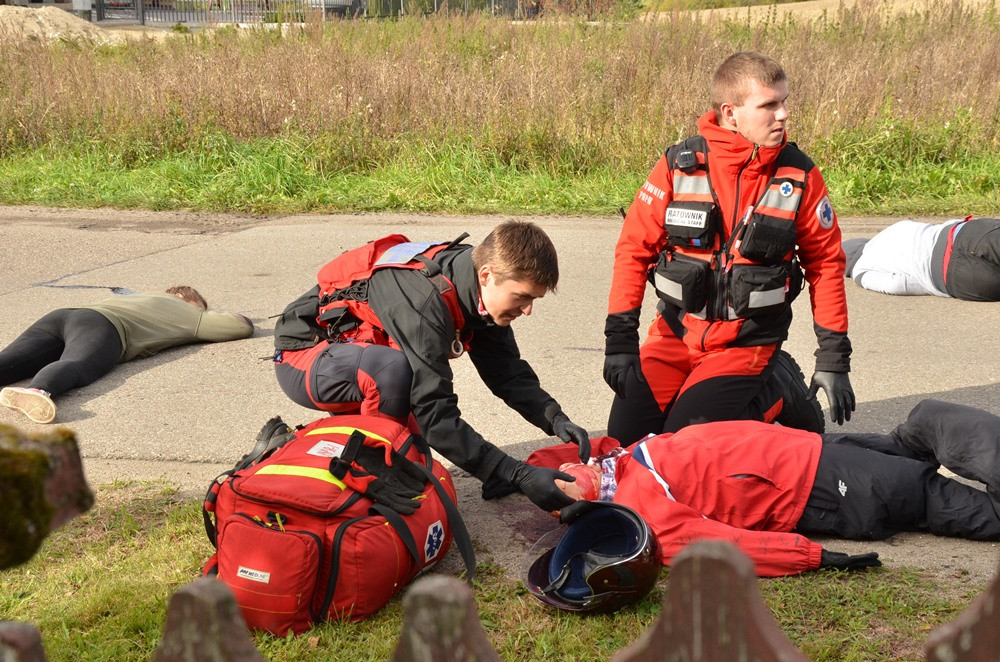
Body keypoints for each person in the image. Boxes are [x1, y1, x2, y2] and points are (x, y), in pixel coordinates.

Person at [603, 51, 855, 445]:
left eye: (784, 101)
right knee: (622, 445)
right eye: (769, 105)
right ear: (730, 112)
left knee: (682, 449)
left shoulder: (800, 176)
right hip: (675, 335)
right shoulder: (678, 165)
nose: (784, 114)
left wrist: (833, 358)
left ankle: (776, 391)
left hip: (745, 344)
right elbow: (633, 250)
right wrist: (620, 342)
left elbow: (825, 266)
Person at [272, 221, 589, 513]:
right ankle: (364, 473)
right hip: (305, 358)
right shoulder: (425, 303)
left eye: (534, 299)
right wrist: (515, 472)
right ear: (487, 275)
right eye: (522, 297)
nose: (528, 310)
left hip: (364, 361)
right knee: (394, 379)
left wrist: (554, 418)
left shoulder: (479, 288)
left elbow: (505, 371)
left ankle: (375, 458)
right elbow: (436, 417)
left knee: (418, 468)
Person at [544, 399, 1000, 578]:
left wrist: (514, 475)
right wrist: (814, 557)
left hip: (809, 448)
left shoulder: (612, 456)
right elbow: (720, 547)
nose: (565, 470)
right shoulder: (639, 509)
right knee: (916, 489)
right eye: (563, 487)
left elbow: (537, 461)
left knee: (915, 434)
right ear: (584, 510)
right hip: (817, 488)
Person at [0, 286, 254, 424]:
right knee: (76, 363)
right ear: (182, 297)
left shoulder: (142, 297)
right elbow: (238, 327)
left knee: (11, 361)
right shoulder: (182, 309)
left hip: (64, 315)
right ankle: (38, 391)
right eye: (201, 308)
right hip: (105, 326)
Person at [844, 216, 1000, 301]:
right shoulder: (890, 231)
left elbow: (896, 285)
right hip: (963, 235)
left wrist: (930, 286)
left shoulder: (860, 273)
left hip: (954, 277)